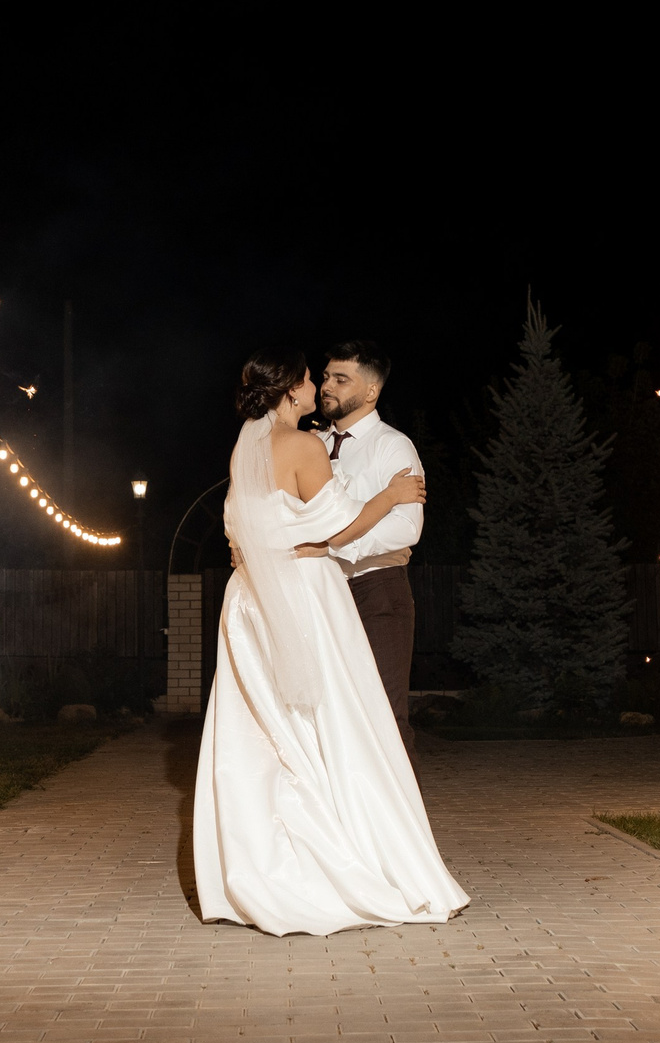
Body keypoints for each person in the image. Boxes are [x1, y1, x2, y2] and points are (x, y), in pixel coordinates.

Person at [192, 351, 471, 936]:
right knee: (336, 722)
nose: (318, 385)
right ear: (291, 391)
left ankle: (262, 869)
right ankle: (346, 858)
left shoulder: (245, 448)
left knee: (266, 730)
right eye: (311, 379)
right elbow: (339, 527)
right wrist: (391, 498)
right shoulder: (305, 446)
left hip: (249, 603)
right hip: (304, 595)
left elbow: (241, 535)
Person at [314, 342, 422, 748]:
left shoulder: (392, 446)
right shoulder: (315, 447)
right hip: (324, 592)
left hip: (378, 589)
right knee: (333, 714)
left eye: (341, 379)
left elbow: (407, 527)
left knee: (386, 713)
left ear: (371, 392)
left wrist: (336, 547)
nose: (327, 386)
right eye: (325, 377)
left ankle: (404, 814)